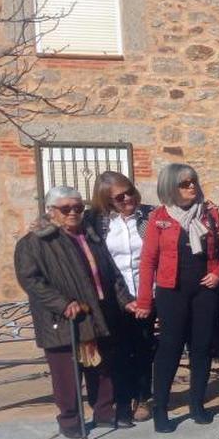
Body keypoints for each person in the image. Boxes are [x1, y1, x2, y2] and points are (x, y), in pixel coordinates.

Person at [16, 186, 141, 438]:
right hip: (63, 318)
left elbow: (111, 274)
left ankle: (104, 412)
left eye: (77, 207)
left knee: (102, 367)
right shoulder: (35, 242)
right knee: (66, 374)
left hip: (98, 313)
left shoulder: (89, 236)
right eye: (66, 208)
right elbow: (31, 280)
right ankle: (70, 420)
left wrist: (125, 299)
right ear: (51, 211)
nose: (73, 212)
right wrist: (62, 303)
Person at [136, 163, 219, 433]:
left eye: (193, 182)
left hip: (204, 291)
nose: (191, 187)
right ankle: (161, 408)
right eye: (184, 184)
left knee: (201, 348)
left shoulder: (209, 214)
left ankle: (197, 404)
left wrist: (218, 274)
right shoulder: (159, 218)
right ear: (170, 187)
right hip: (171, 291)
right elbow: (148, 261)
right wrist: (143, 301)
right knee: (169, 349)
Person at [84, 171, 155, 423]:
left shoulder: (150, 214)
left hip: (146, 294)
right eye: (119, 197)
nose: (128, 199)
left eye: (130, 191)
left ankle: (143, 397)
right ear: (106, 200)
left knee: (144, 347)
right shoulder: (94, 221)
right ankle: (121, 398)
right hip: (114, 298)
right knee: (118, 350)